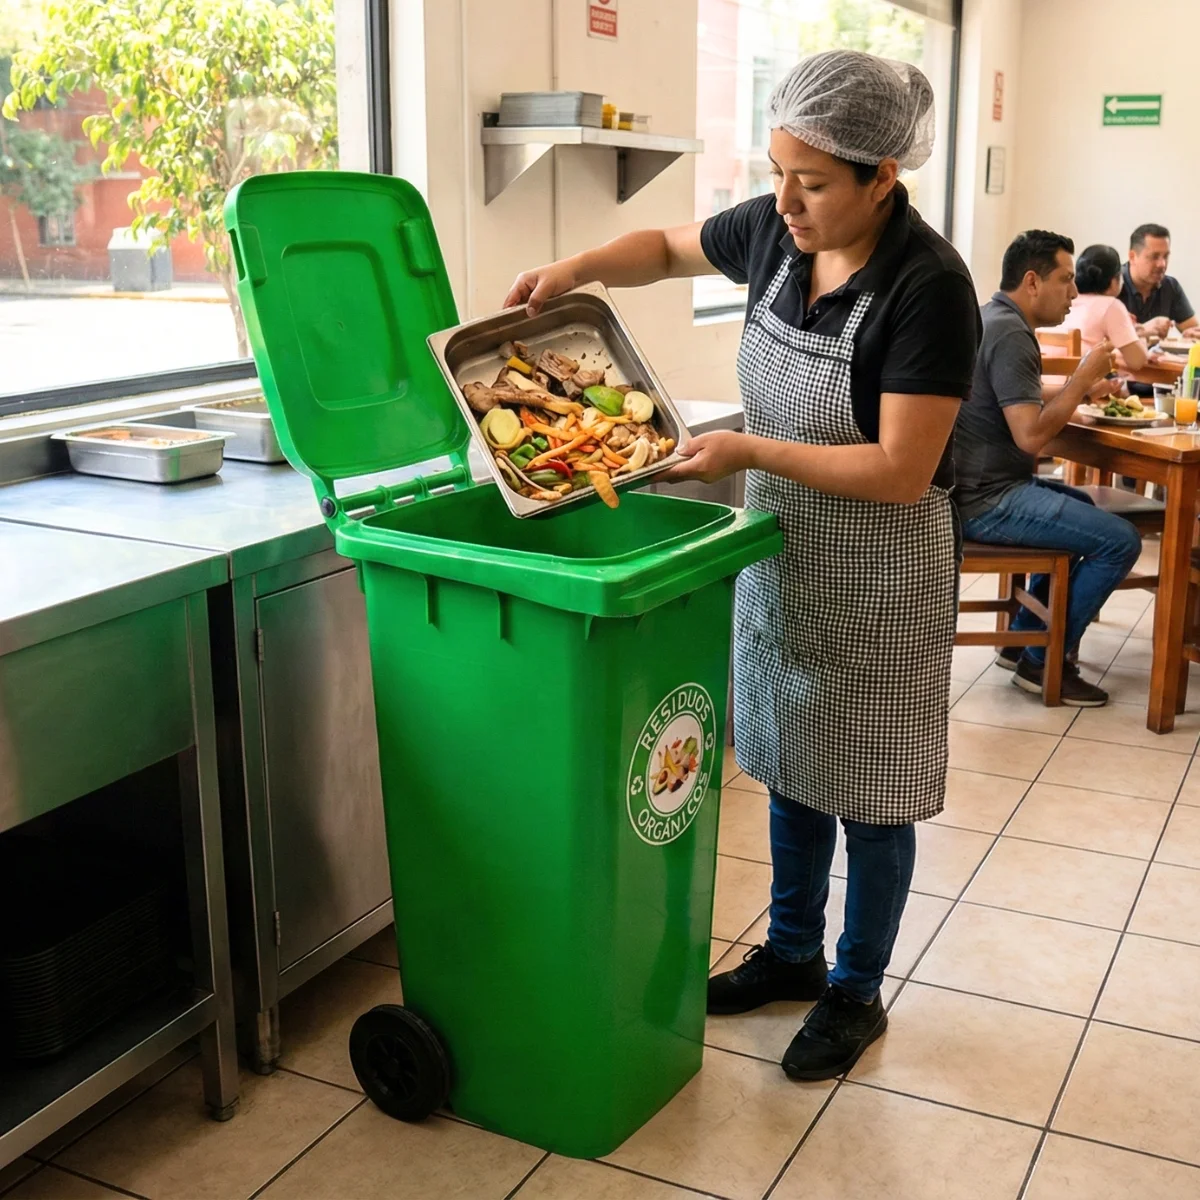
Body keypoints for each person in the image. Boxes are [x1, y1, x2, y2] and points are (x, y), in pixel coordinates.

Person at [505, 50, 979, 1080]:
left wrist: (749, 451)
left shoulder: (929, 287)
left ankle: (856, 990)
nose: (785, 200)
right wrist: (577, 268)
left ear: (880, 178)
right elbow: (669, 247)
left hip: (880, 571)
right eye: (776, 172)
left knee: (875, 792)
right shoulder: (772, 231)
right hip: (783, 554)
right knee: (788, 767)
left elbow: (903, 470)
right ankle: (794, 954)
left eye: (812, 183)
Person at [953, 231, 1143, 706]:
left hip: (979, 488)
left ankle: (1023, 641)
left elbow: (1022, 395)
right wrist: (1083, 379)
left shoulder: (994, 318)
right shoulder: (1011, 333)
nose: (1075, 293)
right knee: (1120, 540)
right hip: (986, 499)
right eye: (1066, 280)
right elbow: (1032, 436)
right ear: (1033, 281)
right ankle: (1043, 663)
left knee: (1084, 510)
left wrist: (1082, 390)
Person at [1050, 243, 1149, 370]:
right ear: (1114, 281)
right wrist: (1141, 337)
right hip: (1079, 386)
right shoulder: (1111, 305)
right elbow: (1137, 361)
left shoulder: (1064, 299)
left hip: (1047, 385)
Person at [1120, 223, 1198, 340]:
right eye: (1154, 256)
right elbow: (1098, 343)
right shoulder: (1111, 284)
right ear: (1132, 256)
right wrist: (1143, 330)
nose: (1162, 264)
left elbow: (1192, 329)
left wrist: (1193, 334)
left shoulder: (1170, 286)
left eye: (1166, 256)